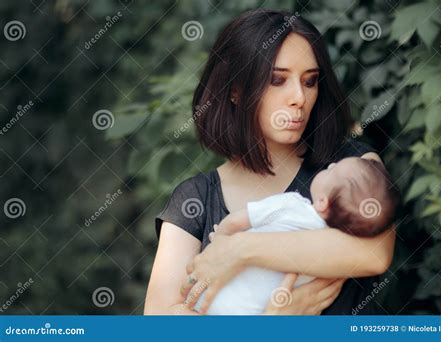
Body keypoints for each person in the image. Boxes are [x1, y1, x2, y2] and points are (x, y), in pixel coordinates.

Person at [144, 9, 396, 316]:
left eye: (310, 81)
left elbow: (374, 253)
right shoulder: (194, 200)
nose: (299, 98)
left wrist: (240, 250)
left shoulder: (350, 166)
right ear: (235, 91)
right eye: (278, 80)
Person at [193, 157, 399, 314]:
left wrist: (220, 240)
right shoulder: (331, 252)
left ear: (322, 202)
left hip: (211, 302)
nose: (329, 165)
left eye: (332, 170)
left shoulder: (291, 204)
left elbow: (236, 221)